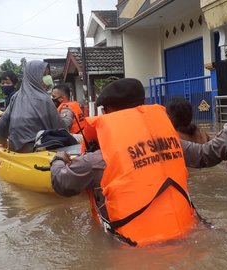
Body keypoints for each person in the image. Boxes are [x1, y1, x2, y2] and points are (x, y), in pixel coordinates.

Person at [50, 78, 199, 247]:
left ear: (108, 112)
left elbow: (61, 183)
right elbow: (203, 155)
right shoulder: (171, 143)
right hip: (186, 235)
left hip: (133, 249)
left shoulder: (98, 159)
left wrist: (58, 159)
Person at [0, 60, 65, 153]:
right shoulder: (44, 99)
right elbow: (60, 128)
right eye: (44, 75)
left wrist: (2, 141)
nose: (48, 78)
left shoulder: (15, 97)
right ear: (34, 77)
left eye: (48, 75)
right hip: (37, 148)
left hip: (15, 148)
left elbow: (2, 122)